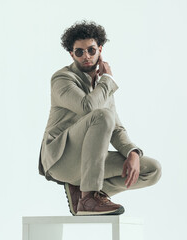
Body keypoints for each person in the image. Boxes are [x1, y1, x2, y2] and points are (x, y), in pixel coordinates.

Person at [38, 20, 161, 216]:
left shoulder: (103, 87)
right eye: (79, 52)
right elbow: (88, 107)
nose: (86, 56)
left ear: (100, 49)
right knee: (101, 115)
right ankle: (88, 199)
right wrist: (107, 80)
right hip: (61, 160)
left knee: (151, 169)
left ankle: (85, 194)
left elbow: (116, 128)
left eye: (91, 50)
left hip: (90, 162)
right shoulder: (62, 79)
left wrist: (133, 152)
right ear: (71, 53)